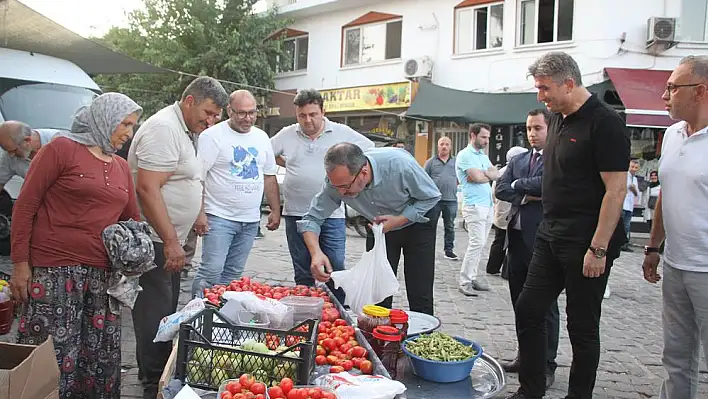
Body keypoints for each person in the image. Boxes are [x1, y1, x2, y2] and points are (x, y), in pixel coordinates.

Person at [505, 52, 629, 399]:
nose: (539, 96)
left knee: (582, 327)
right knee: (529, 308)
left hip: (587, 242)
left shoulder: (605, 123)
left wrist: (599, 248)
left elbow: (616, 190)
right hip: (550, 234)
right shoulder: (557, 117)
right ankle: (530, 390)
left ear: (569, 84)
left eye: (544, 88)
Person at [9, 93, 142, 398]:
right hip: (55, 272)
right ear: (104, 118)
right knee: (52, 354)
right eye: (124, 123)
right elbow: (26, 206)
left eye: (133, 126)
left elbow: (131, 219)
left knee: (97, 356)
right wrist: (20, 265)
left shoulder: (121, 167)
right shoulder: (61, 149)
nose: (129, 133)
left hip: (101, 278)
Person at [128, 76, 228, 399]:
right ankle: (151, 379)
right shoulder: (164, 129)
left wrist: (197, 213)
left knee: (167, 308)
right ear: (190, 101)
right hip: (155, 241)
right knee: (153, 310)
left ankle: (160, 373)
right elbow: (147, 188)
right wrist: (170, 240)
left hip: (173, 237)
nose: (211, 121)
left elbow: (189, 175)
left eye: (216, 116)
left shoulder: (188, 130)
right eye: (209, 113)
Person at [300, 143, 441, 315]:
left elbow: (431, 196)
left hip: (418, 221)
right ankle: (377, 337)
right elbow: (312, 218)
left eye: (345, 187)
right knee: (376, 291)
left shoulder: (399, 164)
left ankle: (421, 336)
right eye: (336, 186)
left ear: (364, 173)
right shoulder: (337, 183)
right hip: (379, 227)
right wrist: (316, 253)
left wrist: (399, 220)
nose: (341, 193)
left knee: (419, 288)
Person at [642, 55, 708, 399]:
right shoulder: (671, 135)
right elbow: (666, 196)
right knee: (676, 358)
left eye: (672, 87)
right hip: (676, 264)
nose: (664, 96)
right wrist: (654, 247)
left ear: (700, 91)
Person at [270, 89, 374, 303]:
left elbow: (370, 152)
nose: (307, 120)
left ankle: (337, 313)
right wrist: (285, 162)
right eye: (302, 116)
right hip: (296, 213)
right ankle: (306, 314)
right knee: (302, 269)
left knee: (334, 268)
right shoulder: (287, 133)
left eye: (313, 114)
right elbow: (264, 152)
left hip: (332, 214)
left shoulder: (341, 132)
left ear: (322, 111)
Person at [191, 90, 280, 296]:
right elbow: (198, 178)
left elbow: (268, 175)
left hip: (249, 220)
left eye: (252, 113)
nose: (247, 118)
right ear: (229, 111)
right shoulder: (212, 136)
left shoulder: (261, 137)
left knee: (233, 275)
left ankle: (219, 318)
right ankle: (196, 315)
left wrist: (275, 209)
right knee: (210, 271)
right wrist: (200, 213)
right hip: (218, 217)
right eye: (241, 113)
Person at [496, 109, 559, 389]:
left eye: (538, 128)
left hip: (543, 241)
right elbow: (500, 189)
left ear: (550, 129)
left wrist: (519, 186)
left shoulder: (556, 159)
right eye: (529, 128)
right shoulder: (520, 159)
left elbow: (548, 186)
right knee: (520, 304)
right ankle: (526, 357)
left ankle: (546, 364)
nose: (532, 133)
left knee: (545, 307)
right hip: (517, 240)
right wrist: (528, 192)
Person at [456, 123, 498, 295]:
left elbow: (494, 173)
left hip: (487, 204)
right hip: (474, 205)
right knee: (476, 243)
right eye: (483, 137)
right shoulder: (465, 155)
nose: (487, 141)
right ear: (473, 135)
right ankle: (465, 280)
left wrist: (485, 174)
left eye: (488, 137)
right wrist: (484, 175)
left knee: (481, 244)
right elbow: (475, 177)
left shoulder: (481, 155)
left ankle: (472, 277)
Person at [486, 146, 529, 277]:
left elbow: (493, 194)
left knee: (499, 241)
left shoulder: (500, 172)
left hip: (500, 212)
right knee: (509, 243)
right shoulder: (513, 172)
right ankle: (506, 272)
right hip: (510, 214)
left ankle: (492, 267)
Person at [424, 136, 459, 260]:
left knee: (449, 226)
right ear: (438, 146)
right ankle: (428, 249)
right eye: (442, 144)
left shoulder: (456, 162)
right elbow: (424, 180)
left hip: (451, 200)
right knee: (430, 225)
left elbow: (460, 178)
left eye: (447, 144)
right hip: (434, 200)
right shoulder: (430, 162)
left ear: (450, 146)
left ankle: (449, 250)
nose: (444, 146)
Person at [0, 121, 59, 192]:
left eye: (14, 150)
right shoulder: (8, 155)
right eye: (8, 151)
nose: (11, 155)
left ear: (27, 140)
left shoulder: (59, 141)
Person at [620, 159, 640, 252]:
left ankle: (624, 244)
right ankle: (619, 244)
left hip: (630, 206)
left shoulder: (635, 179)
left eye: (636, 167)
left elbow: (637, 194)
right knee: (621, 225)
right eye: (632, 167)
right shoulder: (624, 176)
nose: (634, 169)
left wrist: (634, 189)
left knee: (627, 226)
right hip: (623, 204)